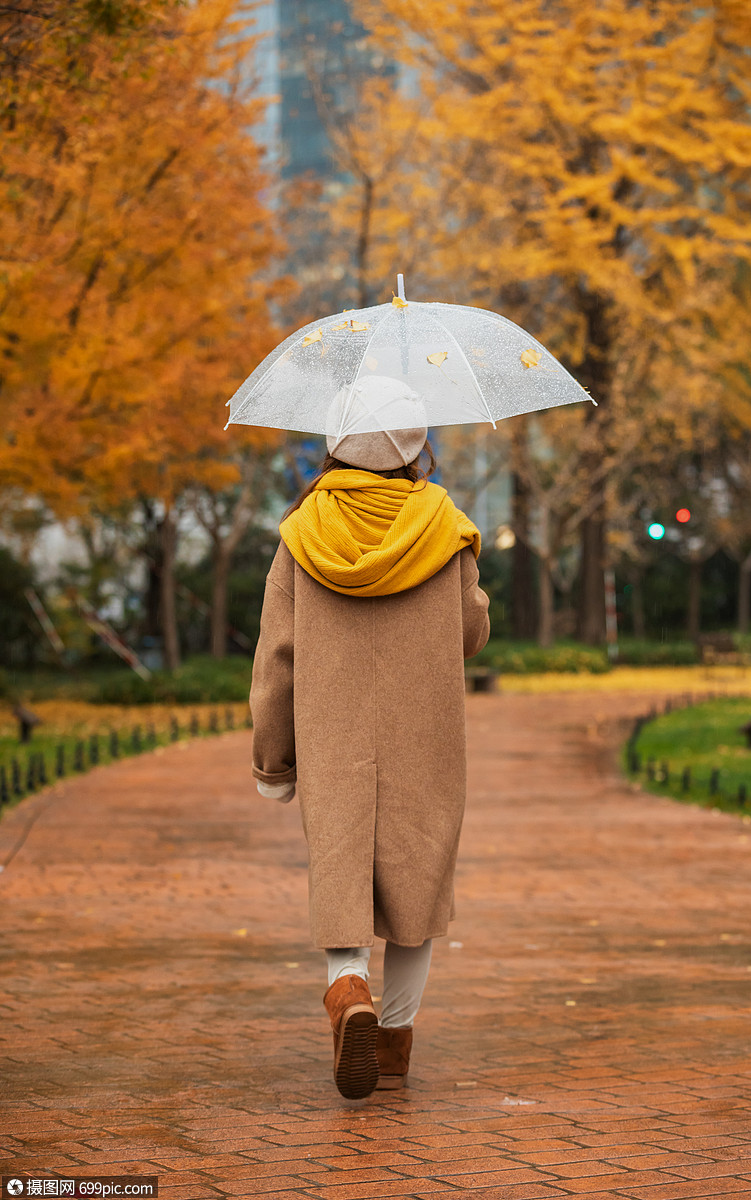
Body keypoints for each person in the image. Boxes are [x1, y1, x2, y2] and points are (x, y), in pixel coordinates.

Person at [249, 376, 491, 1100]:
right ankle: (390, 1043)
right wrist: (471, 586)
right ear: (417, 447)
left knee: (343, 871)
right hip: (426, 737)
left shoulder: (301, 535)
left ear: (333, 446)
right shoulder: (445, 527)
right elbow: (470, 633)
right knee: (416, 889)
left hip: (334, 739)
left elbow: (276, 660)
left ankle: (346, 992)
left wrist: (274, 761)